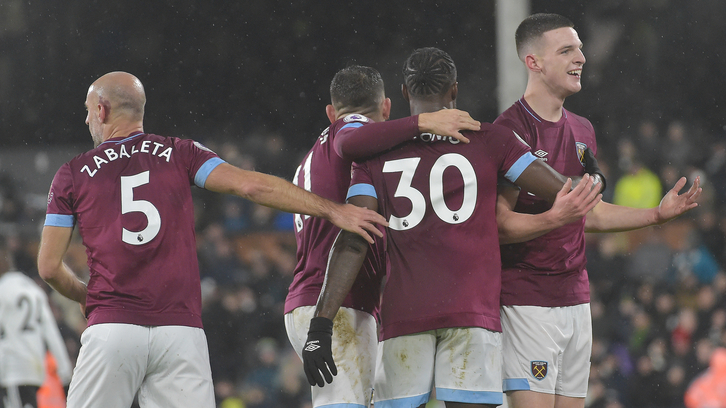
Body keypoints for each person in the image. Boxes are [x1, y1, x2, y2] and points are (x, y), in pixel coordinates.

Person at [35, 71, 389, 408]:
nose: (86, 121)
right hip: (180, 333)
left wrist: (85, 295)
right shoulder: (179, 152)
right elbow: (250, 185)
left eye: (87, 111)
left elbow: (49, 267)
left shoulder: (72, 173)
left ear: (101, 109)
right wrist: (333, 210)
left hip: (112, 327)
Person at [303, 47, 602, 408]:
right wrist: (594, 177)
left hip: (405, 313)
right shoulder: (491, 139)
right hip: (472, 312)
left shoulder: (374, 158)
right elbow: (563, 189)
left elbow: (353, 239)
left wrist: (321, 323)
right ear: (455, 91)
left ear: (403, 94)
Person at [493, 13, 702, 408]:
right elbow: (499, 224)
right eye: (567, 50)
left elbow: (592, 212)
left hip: (576, 299)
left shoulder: (583, 129)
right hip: (527, 301)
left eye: (581, 48)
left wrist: (656, 216)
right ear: (533, 62)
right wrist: (554, 218)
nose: (582, 58)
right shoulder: (510, 131)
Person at [284, 65, 482, 408]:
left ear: (330, 110)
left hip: (317, 300)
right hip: (334, 305)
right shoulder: (349, 129)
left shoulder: (310, 159)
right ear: (387, 107)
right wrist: (422, 122)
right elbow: (352, 140)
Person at [0, 235, 73, 408]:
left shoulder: (2, 290)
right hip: (34, 369)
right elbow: (51, 332)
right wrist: (64, 372)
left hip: (12, 368)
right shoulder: (33, 289)